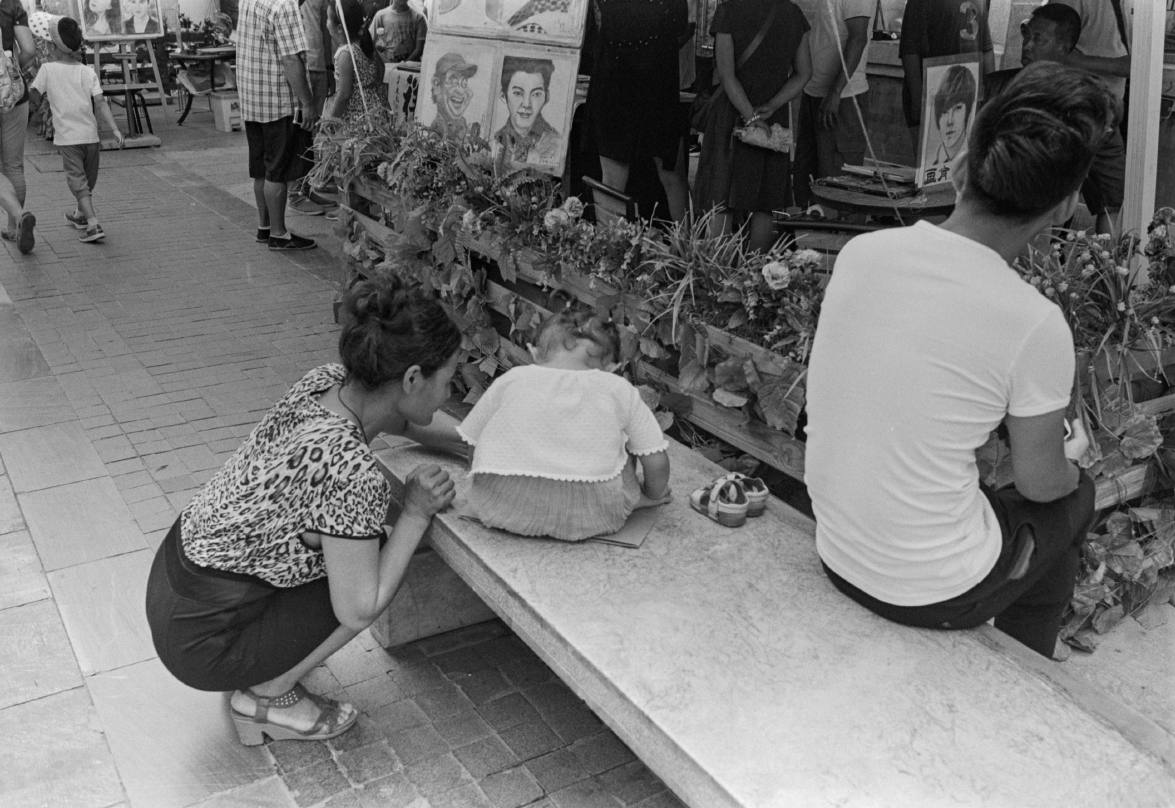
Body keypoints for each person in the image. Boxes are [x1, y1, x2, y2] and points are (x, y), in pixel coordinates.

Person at [804, 62, 1117, 660]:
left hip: (838, 550)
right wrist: (1072, 463)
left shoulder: (862, 253)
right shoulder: (1034, 321)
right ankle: (1028, 668)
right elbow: (1040, 483)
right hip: (930, 592)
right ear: (1066, 207)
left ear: (960, 166)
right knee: (1074, 499)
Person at [146, 272, 465, 745]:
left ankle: (263, 655)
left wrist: (476, 442)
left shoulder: (327, 383)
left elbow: (402, 418)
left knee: (356, 543)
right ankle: (267, 696)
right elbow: (360, 610)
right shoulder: (351, 472)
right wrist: (416, 513)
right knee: (376, 557)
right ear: (413, 378)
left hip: (173, 589)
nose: (451, 394)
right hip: (200, 643)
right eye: (449, 380)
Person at [458, 309, 672, 541]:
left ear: (535, 353)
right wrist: (651, 494)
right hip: (594, 516)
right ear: (612, 367)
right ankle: (635, 500)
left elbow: (473, 441)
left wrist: (481, 484)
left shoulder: (512, 378)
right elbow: (656, 459)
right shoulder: (619, 389)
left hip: (499, 507)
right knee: (625, 447)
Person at [692, 0, 811, 252]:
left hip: (732, 114)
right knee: (765, 202)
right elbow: (804, 73)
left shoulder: (728, 10)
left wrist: (750, 117)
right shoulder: (793, 13)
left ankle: (717, 271)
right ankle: (756, 271)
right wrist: (772, 105)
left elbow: (727, 74)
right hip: (773, 116)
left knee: (721, 198)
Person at [582, 0, 691, 222]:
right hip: (655, 74)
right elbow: (681, 24)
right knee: (670, 173)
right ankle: (687, 243)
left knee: (613, 178)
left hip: (615, 74)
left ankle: (610, 244)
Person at [29, 17, 124, 244]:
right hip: (91, 137)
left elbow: (33, 98)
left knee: (77, 181)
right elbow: (100, 102)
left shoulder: (47, 69)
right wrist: (115, 129)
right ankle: (81, 214)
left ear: (52, 47)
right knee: (87, 180)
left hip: (68, 139)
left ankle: (93, 223)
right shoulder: (87, 71)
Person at [237, 0, 319, 251]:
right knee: (277, 171)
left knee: (261, 169)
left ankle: (264, 227)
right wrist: (307, 103)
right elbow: (291, 59)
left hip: (252, 97)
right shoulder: (283, 5)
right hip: (277, 101)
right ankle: (279, 234)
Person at [1048, 0, 1128, 236]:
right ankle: (1043, 256)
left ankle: (1105, 262)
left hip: (1108, 113)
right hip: (1073, 109)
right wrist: (1118, 65)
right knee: (1054, 197)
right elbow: (1052, 50)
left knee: (1114, 200)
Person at [792, 0, 876, 208]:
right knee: (807, 179)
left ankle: (839, 229)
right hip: (814, 93)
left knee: (839, 185)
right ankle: (808, 227)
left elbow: (858, 39)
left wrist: (835, 92)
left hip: (842, 99)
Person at [0, 0, 36, 254]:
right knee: (14, 165)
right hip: (13, 94)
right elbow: (29, 49)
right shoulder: (11, 3)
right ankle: (14, 228)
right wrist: (12, 72)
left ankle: (19, 215)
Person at [899, 0, 994, 144]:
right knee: (932, 155)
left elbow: (986, 49)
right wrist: (918, 99)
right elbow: (910, 50)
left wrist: (991, 95)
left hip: (969, 96)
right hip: (932, 96)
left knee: (963, 155)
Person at [288, 0, 337, 216]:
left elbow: (326, 29)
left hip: (319, 65)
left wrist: (329, 67)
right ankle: (294, 193)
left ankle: (307, 187)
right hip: (300, 65)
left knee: (312, 132)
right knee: (299, 129)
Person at [491, 56, 564, 166]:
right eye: (517, 93)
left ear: (546, 97)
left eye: (536, 94)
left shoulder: (558, 144)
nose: (526, 104)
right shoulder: (492, 141)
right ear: (503, 95)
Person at [324, 0, 383, 128]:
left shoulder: (345, 54)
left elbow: (344, 95)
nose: (326, 22)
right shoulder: (366, 45)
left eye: (328, 19)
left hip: (357, 120)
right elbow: (381, 71)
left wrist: (329, 122)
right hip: (376, 112)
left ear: (340, 28)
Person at [927, 64, 976, 170]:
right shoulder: (928, 163)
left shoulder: (977, 161)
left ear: (968, 111)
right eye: (944, 112)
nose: (950, 121)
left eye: (957, 108)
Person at [428, 52, 477, 140]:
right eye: (454, 82)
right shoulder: (434, 134)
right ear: (437, 85)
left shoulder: (467, 132)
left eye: (464, 84)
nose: (461, 91)